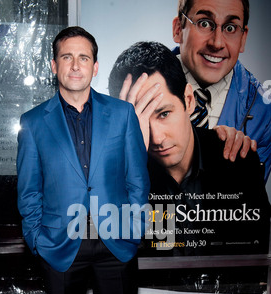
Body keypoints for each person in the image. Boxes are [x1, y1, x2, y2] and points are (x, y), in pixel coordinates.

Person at [17, 27, 170, 294]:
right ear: (54, 65)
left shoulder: (121, 115)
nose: (75, 65)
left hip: (115, 243)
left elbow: (138, 179)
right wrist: (36, 239)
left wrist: (136, 227)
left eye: (83, 57)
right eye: (67, 57)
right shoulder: (33, 124)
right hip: (59, 247)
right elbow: (28, 191)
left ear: (95, 66)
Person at [108, 41, 270, 256]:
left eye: (163, 114)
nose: (156, 137)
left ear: (189, 100)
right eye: (138, 123)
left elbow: (257, 261)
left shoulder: (237, 160)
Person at [172, 0, 271, 182]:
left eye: (231, 28)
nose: (217, 43)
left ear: (243, 38)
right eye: (204, 23)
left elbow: (247, 202)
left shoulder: (264, 114)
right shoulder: (133, 88)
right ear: (178, 29)